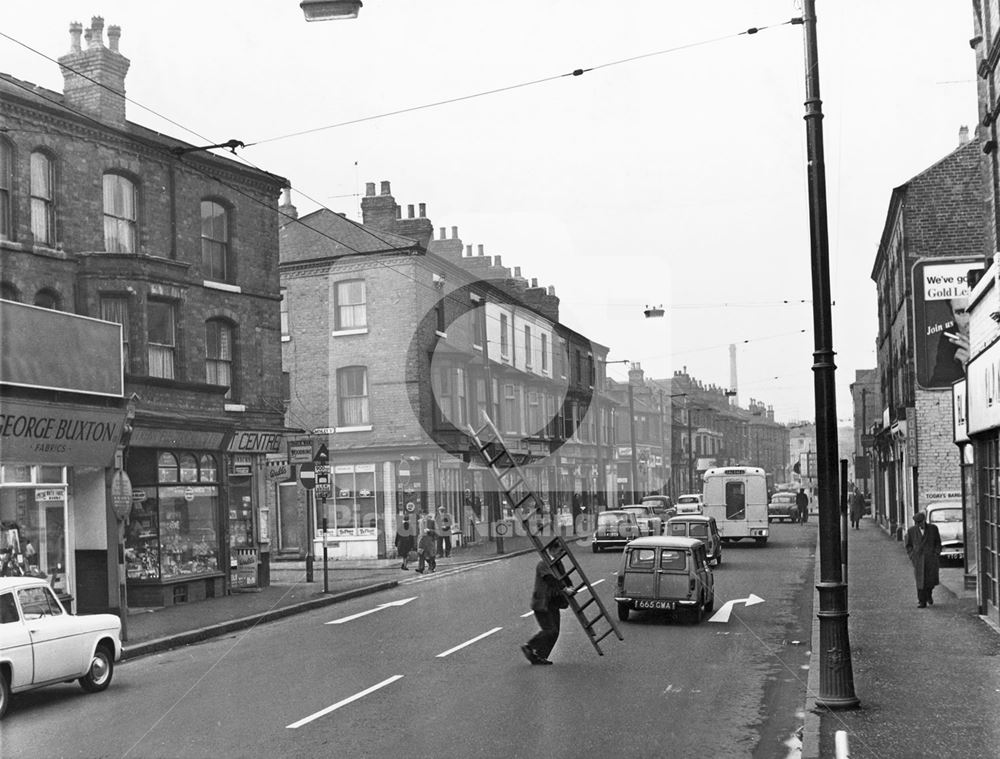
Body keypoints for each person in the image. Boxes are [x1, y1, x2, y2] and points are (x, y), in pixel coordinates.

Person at [520, 559, 573, 665]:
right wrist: (565, 589)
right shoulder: (543, 564)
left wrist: (570, 585)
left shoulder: (557, 563)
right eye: (560, 550)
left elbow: (564, 576)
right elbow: (550, 579)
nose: (561, 553)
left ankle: (540, 656)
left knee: (555, 632)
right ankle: (529, 646)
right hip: (542, 603)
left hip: (553, 603)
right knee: (550, 630)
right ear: (553, 549)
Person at [904, 511, 942, 608]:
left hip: (931, 559)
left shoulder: (933, 529)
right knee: (920, 581)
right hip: (919, 560)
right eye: (916, 523)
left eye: (920, 522)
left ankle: (929, 595)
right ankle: (922, 601)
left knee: (930, 581)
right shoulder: (911, 531)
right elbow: (908, 546)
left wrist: (936, 553)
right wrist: (912, 556)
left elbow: (938, 542)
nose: (918, 524)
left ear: (924, 521)